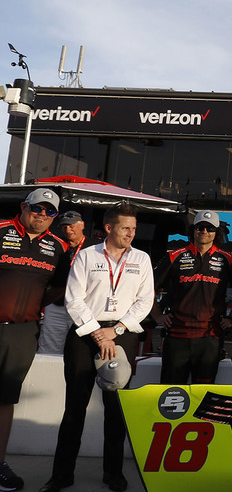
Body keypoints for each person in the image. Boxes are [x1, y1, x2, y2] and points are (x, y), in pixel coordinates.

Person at [41, 204, 154, 492]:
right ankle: (61, 475)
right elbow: (74, 299)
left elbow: (145, 301)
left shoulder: (141, 259)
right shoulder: (87, 256)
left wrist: (115, 331)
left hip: (122, 334)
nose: (131, 233)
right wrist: (98, 335)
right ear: (109, 228)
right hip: (84, 335)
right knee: (74, 408)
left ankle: (113, 474)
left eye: (133, 228)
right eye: (125, 228)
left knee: (115, 409)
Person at [0, 188, 68, 492]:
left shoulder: (58, 247)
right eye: (38, 208)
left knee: (5, 399)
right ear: (24, 207)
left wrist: (34, 303)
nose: (42, 215)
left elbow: (59, 288)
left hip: (22, 332)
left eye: (49, 212)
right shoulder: (1, 230)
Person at [153, 210, 232, 384]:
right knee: (170, 392)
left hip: (209, 338)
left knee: (203, 392)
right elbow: (150, 289)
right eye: (200, 227)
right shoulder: (175, 255)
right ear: (193, 230)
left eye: (209, 228)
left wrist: (231, 318)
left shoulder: (227, 259)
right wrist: (158, 316)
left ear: (216, 232)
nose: (204, 232)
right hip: (177, 336)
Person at [39, 211, 100, 355]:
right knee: (49, 348)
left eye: (72, 226)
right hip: (57, 304)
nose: (68, 230)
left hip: (85, 305)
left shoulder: (96, 247)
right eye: (64, 226)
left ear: (82, 225)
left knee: (82, 348)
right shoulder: (56, 245)